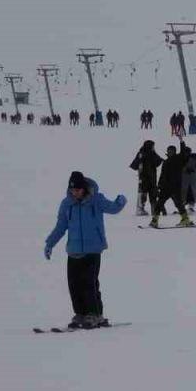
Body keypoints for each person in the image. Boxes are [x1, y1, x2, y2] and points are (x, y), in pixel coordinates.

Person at [43, 171, 127, 329]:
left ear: (84, 188)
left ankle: (94, 315)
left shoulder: (96, 200)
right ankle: (80, 314)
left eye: (78, 189)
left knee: (90, 283)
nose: (75, 192)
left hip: (93, 249)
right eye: (72, 189)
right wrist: (50, 243)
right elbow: (61, 226)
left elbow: (112, 208)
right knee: (74, 284)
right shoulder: (66, 204)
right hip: (74, 250)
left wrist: (120, 201)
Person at [152, 141, 193, 228]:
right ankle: (155, 220)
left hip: (175, 186)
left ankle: (185, 219)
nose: (170, 152)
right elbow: (162, 175)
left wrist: (182, 142)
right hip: (165, 187)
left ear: (175, 152)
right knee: (160, 203)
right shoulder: (166, 162)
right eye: (169, 151)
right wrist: (159, 185)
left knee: (178, 204)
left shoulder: (179, 159)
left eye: (171, 151)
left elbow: (182, 153)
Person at [129, 140, 163, 216]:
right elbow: (157, 162)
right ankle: (154, 211)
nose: (154, 147)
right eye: (153, 146)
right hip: (150, 177)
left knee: (142, 193)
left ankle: (140, 209)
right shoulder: (151, 153)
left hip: (143, 178)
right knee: (152, 194)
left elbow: (134, 165)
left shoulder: (141, 153)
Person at [182, 147, 196, 213]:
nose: (186, 153)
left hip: (192, 181)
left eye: (188, 152)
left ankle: (190, 208)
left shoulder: (193, 159)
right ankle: (183, 208)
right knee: (183, 195)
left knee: (192, 195)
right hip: (183, 181)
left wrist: (193, 169)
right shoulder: (180, 159)